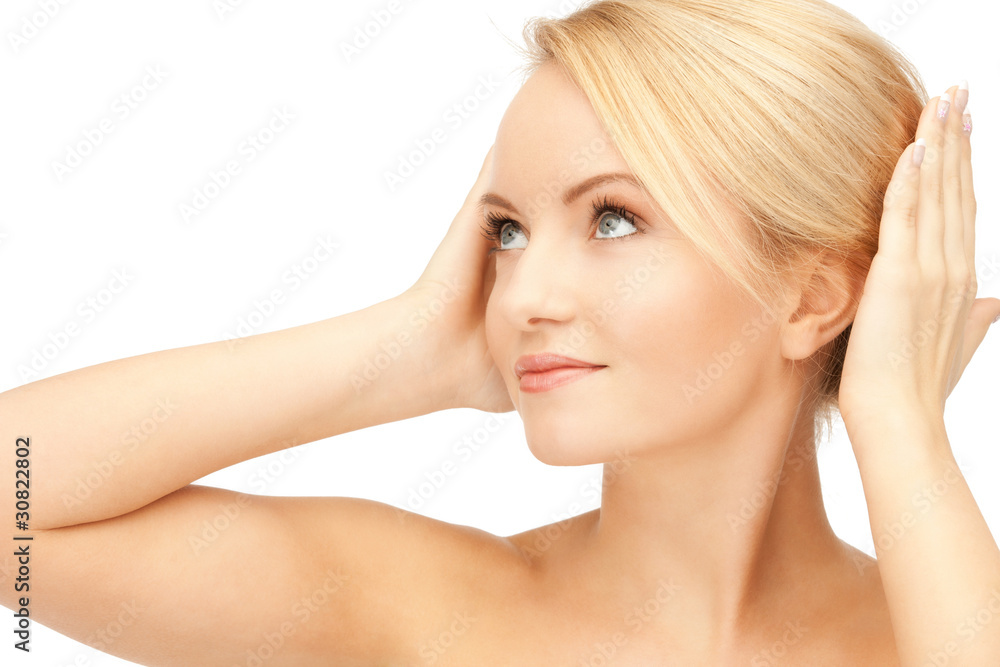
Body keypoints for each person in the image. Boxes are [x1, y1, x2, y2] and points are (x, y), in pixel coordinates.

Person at [3, 0, 999, 664]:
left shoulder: (938, 627)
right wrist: (404, 352)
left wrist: (899, 426)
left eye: (613, 218)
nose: (522, 294)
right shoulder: (426, 616)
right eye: (508, 232)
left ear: (811, 299)